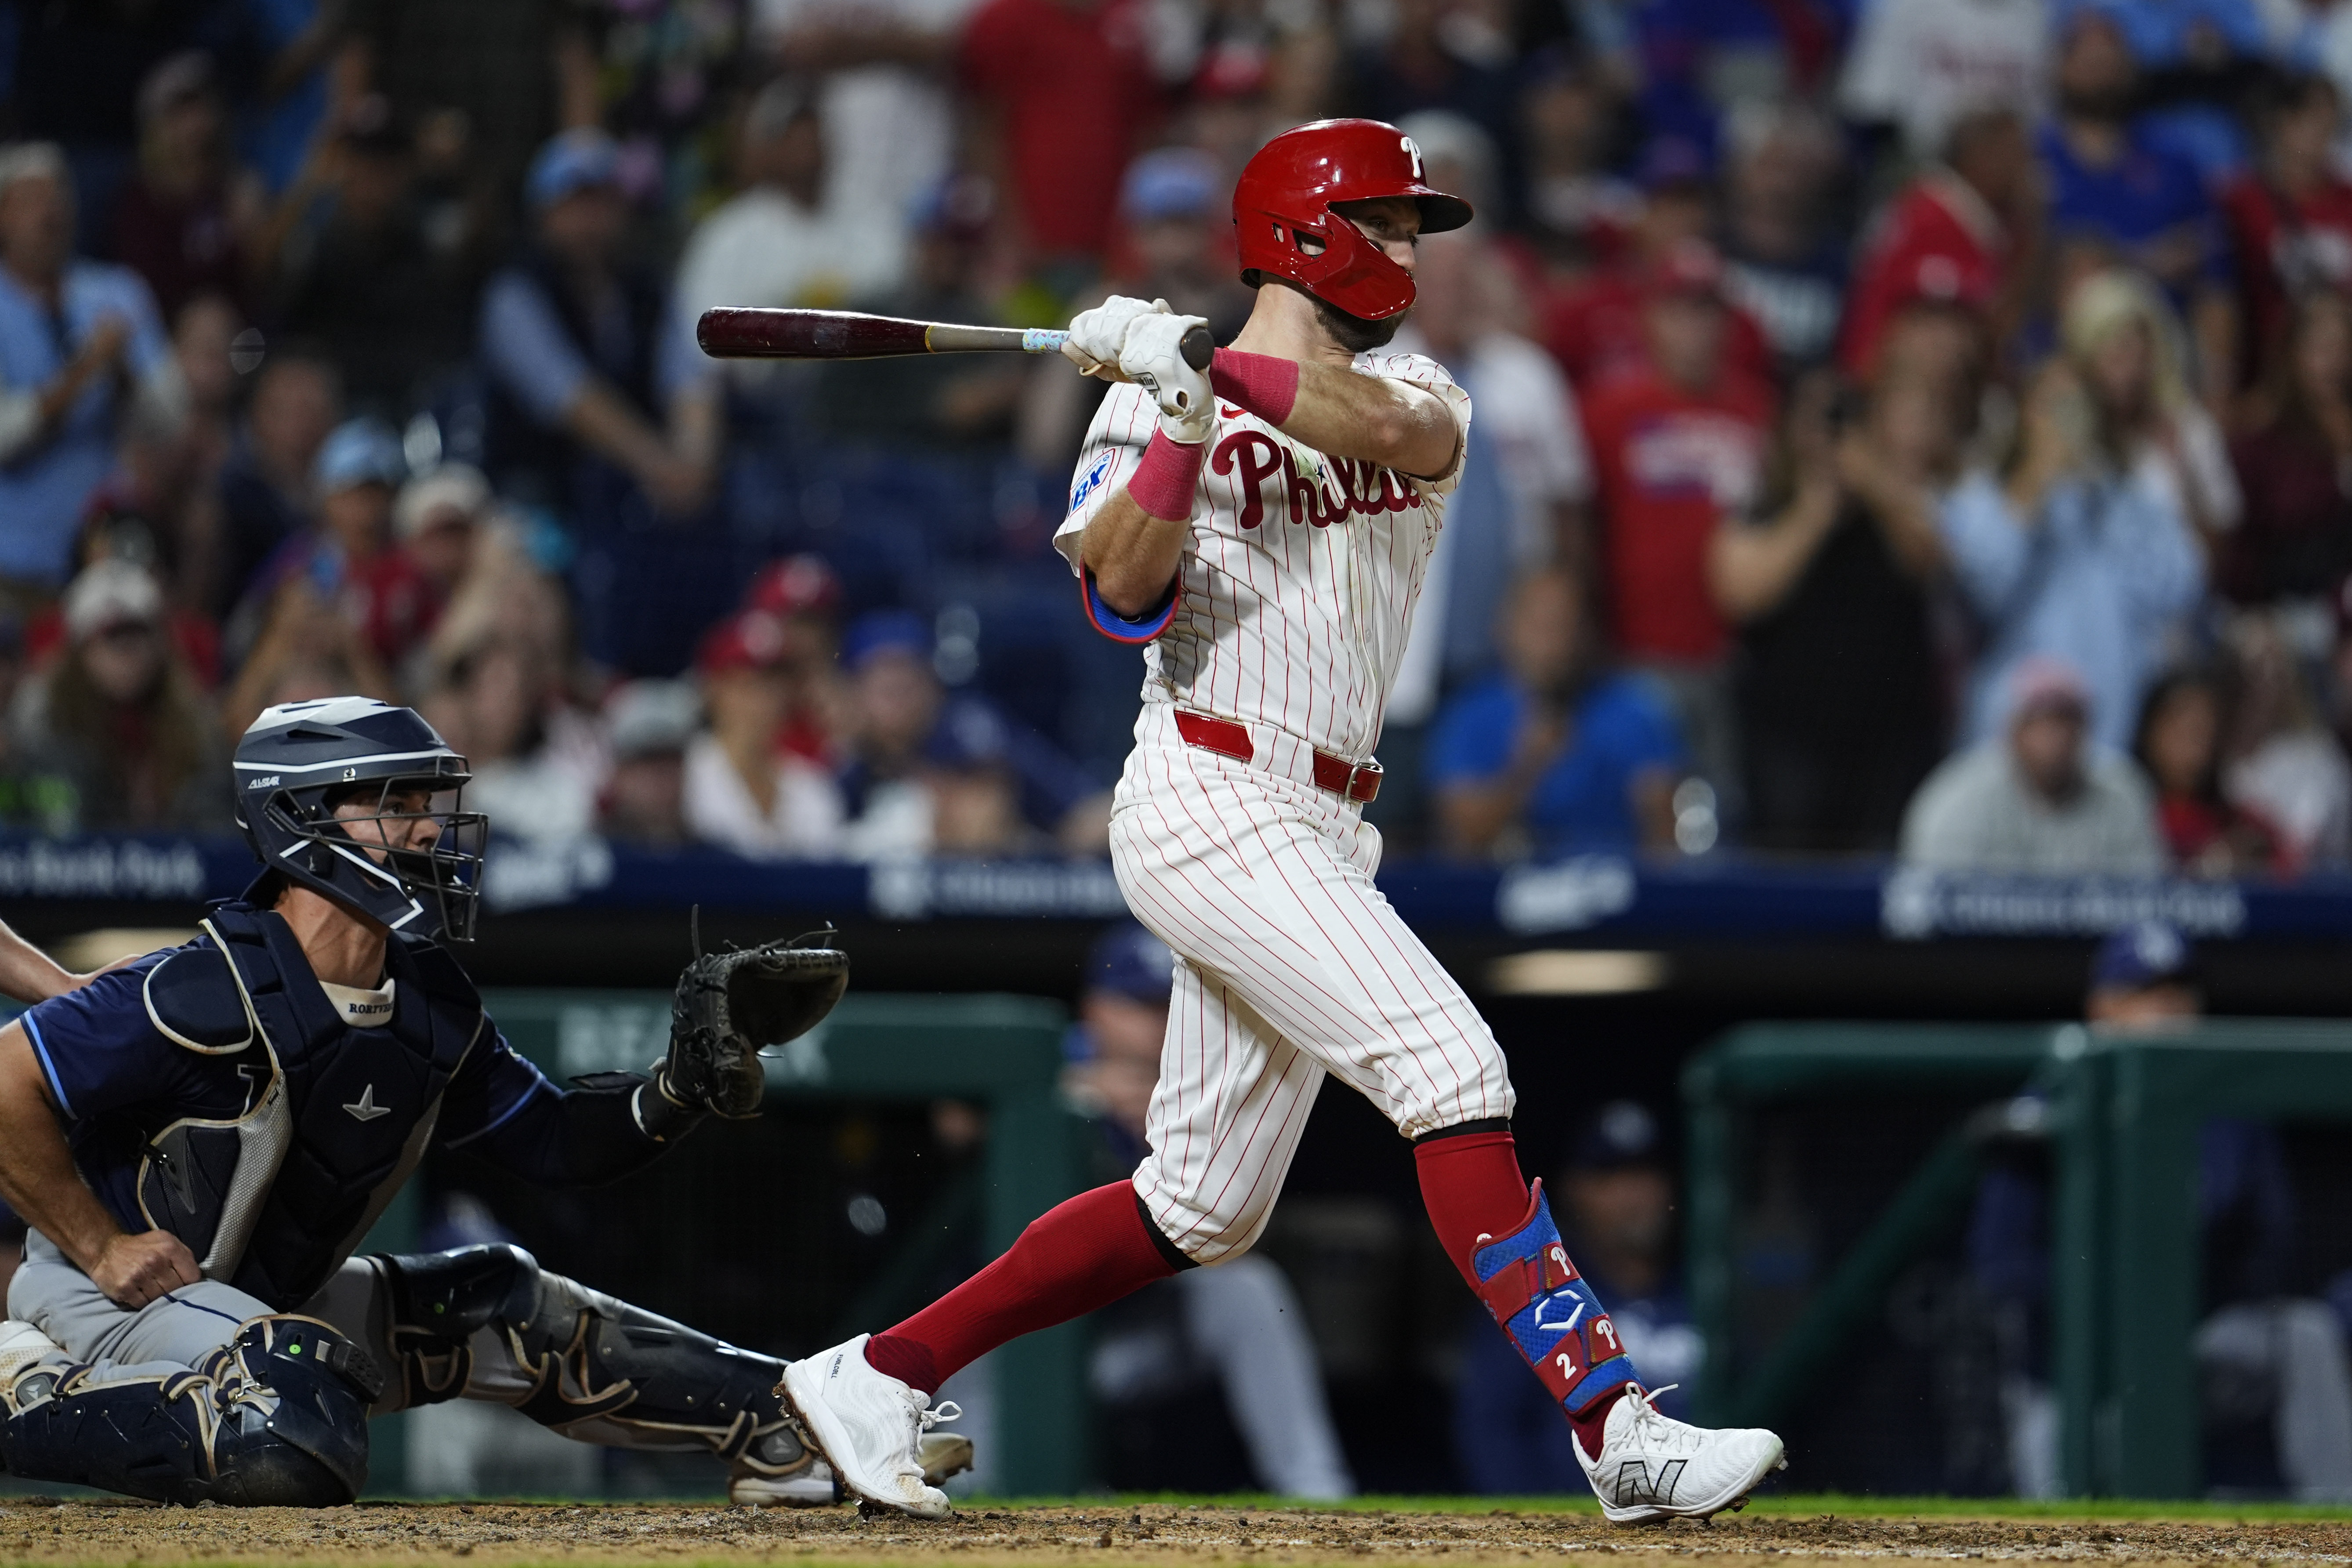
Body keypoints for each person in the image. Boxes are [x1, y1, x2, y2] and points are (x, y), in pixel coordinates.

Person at [778, 117, 1786, 1522]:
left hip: (1324, 818)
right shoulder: (1141, 400)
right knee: (1450, 1067)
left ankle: (873, 1376)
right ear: (1304, 230)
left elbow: (1375, 426)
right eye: (1380, 222)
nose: (1403, 251)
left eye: (1409, 227)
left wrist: (1203, 365)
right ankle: (1612, 1422)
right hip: (1204, 785)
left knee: (1200, 1203)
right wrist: (1177, 420)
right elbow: (1118, 597)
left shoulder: (1423, 388)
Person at [0, 696, 940, 1509]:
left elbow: (556, 1144)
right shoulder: (202, 986)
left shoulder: (432, 1003)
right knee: (289, 1415)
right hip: (97, 1301)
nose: (428, 828)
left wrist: (676, 1088)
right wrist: (99, 1243)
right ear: (302, 815)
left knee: (504, 1297)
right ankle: (23, 1388)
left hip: (262, 1304)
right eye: (396, 802)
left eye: (429, 803)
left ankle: (799, 1431)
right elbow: (9, 1080)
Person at [1971, 922, 2352, 1500]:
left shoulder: (2229, 1107)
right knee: (2055, 1528)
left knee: (2305, 1333)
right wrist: (2112, 1306)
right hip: (2074, 1369)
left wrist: (2189, 1294)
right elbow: (2001, 1266)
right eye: (2144, 994)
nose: (2166, 1011)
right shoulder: (2050, 1105)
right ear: (2101, 1009)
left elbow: (2276, 1247)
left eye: (2178, 994)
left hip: (2195, 1344)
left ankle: (2335, 1522)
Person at [1067, 924, 1356, 1499]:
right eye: (1140, 1006)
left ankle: (1318, 1495)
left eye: (1167, 1005)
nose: (1158, 1023)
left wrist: (1161, 1140)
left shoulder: (1201, 1082)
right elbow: (953, 1117)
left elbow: (1239, 1240)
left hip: (1133, 1331)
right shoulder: (1047, 1060)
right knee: (970, 1479)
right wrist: (1066, 1106)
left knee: (1249, 1290)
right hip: (1023, 1341)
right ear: (1096, 1010)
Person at [1938, 312, 2207, 756]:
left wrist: (2101, 495)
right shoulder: (1982, 495)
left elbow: (2180, 587)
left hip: (2107, 728)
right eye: (2051, 405)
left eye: (2076, 405)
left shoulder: (2124, 500)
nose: (2063, 421)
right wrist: (2034, 482)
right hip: (2006, 733)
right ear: (2025, 412)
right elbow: (1983, 591)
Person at [1711, 366, 1951, 855]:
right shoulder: (1766, 507)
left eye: (1842, 419)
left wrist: (1874, 483)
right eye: (1815, 419)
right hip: (1790, 744)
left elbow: (1932, 562)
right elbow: (1740, 593)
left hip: (1888, 744)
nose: (1827, 435)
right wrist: (1816, 510)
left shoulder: (1891, 509)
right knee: (1791, 886)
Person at [1580, 239, 1778, 802]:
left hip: (1732, 657)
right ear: (1651, 318)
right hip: (1637, 653)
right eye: (1679, 310)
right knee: (1646, 806)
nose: (1694, 328)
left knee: (1724, 806)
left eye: (1706, 311)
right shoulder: (1609, 410)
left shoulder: (1756, 410)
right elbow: (1586, 530)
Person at [1456, 1102, 1703, 1493]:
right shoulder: (1538, 1292)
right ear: (1574, 1191)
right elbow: (1493, 1428)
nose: (1633, 1197)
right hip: (1574, 1528)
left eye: (1645, 1175)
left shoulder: (1713, 1288)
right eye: (1610, 1179)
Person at [0, 143, 185, 602]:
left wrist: (122, 370)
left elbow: (170, 421)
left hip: (110, 552)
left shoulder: (119, 293)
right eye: (31, 201)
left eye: (58, 200)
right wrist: (83, 372)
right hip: (13, 560)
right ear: (2, 217)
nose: (49, 214)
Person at [2038, 4, 2236, 403]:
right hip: (2055, 369)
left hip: (2164, 375)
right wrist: (2142, 261)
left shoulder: (2175, 161)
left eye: (2111, 60)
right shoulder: (2030, 160)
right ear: (2059, 68)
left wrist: (2219, 394)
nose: (2101, 71)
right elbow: (2043, 267)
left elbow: (2215, 286)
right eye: (2088, 60)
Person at [1428, 566, 1684, 858]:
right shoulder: (1469, 715)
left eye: (1565, 624)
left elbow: (1665, 840)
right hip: (1501, 889)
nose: (1553, 643)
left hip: (1613, 883)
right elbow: (1463, 838)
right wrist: (1527, 768)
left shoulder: (1635, 712)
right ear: (1505, 627)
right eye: (1540, 625)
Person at [7, 559, 229, 834]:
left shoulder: (195, 724)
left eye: (138, 634)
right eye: (112, 637)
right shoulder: (44, 720)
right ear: (81, 651)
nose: (128, 653)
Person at [670, 80, 908, 333]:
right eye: (793, 135)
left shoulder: (869, 217)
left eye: (813, 132)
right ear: (769, 147)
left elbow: (894, 288)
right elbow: (707, 327)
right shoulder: (729, 233)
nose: (806, 145)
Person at [1900, 656, 2167, 873]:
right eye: (2042, 721)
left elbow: (2147, 894)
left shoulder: (2121, 790)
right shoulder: (1960, 797)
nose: (2057, 736)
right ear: (2013, 731)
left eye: (2068, 721)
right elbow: (1930, 901)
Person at [1840, 107, 2037, 380]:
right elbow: (1975, 323)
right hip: (1886, 380)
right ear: (1979, 155)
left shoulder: (2000, 222)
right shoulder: (1930, 214)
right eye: (2015, 153)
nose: (2025, 167)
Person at [2221, 76, 2352, 393]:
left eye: (2329, 121)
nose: (2320, 131)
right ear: (2281, 123)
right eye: (2309, 118)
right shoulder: (2241, 201)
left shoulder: (2347, 200)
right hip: (2269, 372)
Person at [683, 609, 844, 858]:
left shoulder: (811, 785)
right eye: (746, 685)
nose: (762, 701)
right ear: (712, 690)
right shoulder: (684, 775)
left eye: (774, 685)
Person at [2227, 289, 2352, 606]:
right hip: (2295, 603)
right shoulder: (2263, 438)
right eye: (2320, 348)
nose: (2333, 361)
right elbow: (2245, 549)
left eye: (2342, 347)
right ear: (2293, 353)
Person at [2133, 666, 2290, 874]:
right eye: (2183, 725)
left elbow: (2293, 878)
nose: (2197, 740)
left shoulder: (2242, 827)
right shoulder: (2123, 817)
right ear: (2150, 731)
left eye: (2207, 727)